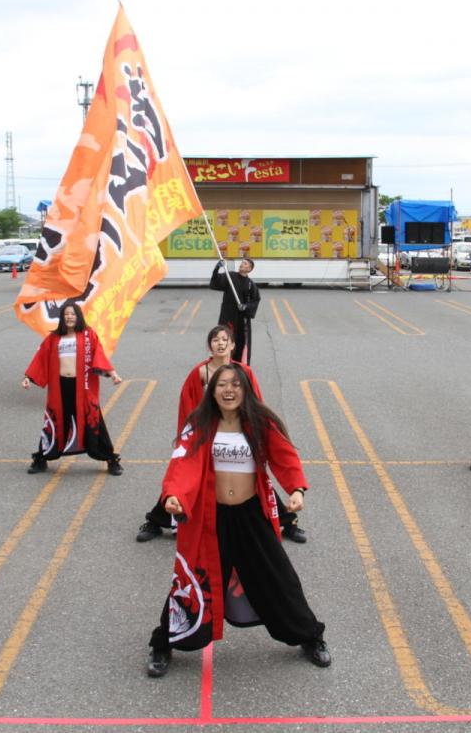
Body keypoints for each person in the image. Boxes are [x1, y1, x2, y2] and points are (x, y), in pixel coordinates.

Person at [145, 365, 329, 677]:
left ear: (245, 389)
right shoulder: (199, 424)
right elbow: (182, 464)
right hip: (210, 517)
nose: (229, 390)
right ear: (212, 390)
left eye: (235, 385)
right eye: (222, 385)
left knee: (279, 578)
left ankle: (311, 636)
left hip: (250, 514)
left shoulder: (260, 421)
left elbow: (284, 456)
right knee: (191, 581)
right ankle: (164, 642)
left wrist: (296, 488)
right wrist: (173, 495)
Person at [136, 326, 307, 544]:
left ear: (233, 345)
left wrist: (297, 488)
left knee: (255, 480)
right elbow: (187, 406)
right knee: (185, 477)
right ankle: (156, 520)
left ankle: (288, 521)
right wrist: (187, 438)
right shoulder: (199, 373)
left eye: (225, 339)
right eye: (215, 340)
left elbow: (256, 404)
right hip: (207, 434)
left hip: (237, 431)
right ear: (210, 346)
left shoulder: (244, 372)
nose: (220, 343)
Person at [21, 300, 123, 476]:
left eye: (73, 314)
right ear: (62, 317)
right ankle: (41, 459)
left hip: (82, 387)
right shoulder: (54, 338)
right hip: (60, 387)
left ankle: (111, 459)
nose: (69, 317)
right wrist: (28, 378)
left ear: (78, 317)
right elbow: (41, 358)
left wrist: (113, 373)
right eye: (66, 314)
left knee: (94, 421)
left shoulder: (88, 336)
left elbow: (99, 355)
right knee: (54, 421)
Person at [210, 255, 260, 365]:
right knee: (224, 337)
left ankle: (238, 362)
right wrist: (217, 268)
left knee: (239, 341)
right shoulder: (231, 276)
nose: (242, 264)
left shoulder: (250, 284)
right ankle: (222, 360)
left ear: (250, 269)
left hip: (242, 319)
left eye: (245, 263)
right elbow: (216, 282)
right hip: (227, 315)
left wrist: (246, 307)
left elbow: (255, 300)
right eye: (242, 262)